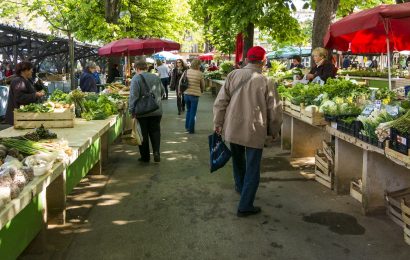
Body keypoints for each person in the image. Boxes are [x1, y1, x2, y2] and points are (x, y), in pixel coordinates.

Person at [213, 46, 282, 217]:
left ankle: (240, 187)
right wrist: (274, 130)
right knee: (253, 167)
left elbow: (221, 101)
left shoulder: (233, 75)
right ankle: (245, 205)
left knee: (238, 160)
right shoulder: (267, 81)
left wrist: (218, 123)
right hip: (254, 129)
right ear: (263, 61)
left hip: (233, 126)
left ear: (247, 59)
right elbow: (274, 110)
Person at [129, 60, 164, 163]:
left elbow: (133, 96)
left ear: (137, 68)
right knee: (155, 131)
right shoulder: (155, 76)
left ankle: (145, 157)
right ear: (146, 68)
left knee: (142, 134)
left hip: (142, 111)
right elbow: (162, 91)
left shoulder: (136, 78)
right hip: (156, 109)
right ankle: (156, 152)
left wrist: (131, 110)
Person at [183, 59, 205, 134]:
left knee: (188, 111)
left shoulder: (186, 71)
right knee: (193, 112)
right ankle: (191, 129)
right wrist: (202, 90)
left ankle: (187, 126)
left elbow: (181, 81)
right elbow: (203, 85)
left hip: (186, 94)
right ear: (198, 65)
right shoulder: (200, 73)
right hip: (195, 95)